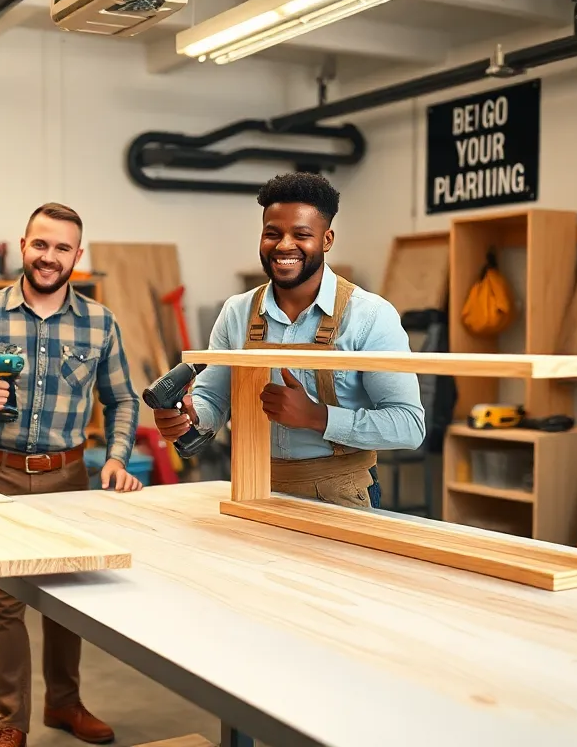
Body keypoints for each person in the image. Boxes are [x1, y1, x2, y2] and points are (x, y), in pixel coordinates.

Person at [0, 202, 141, 747]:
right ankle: (11, 722)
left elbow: (122, 400)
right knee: (4, 606)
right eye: (40, 245)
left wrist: (115, 457)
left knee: (70, 601)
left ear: (77, 256)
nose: (49, 257)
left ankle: (65, 705)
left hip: (69, 479)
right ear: (23, 247)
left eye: (62, 248)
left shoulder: (100, 322)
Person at [153, 172, 424, 508]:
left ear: (327, 239)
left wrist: (316, 416)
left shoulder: (370, 315)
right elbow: (213, 399)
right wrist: (189, 416)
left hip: (340, 495)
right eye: (272, 233)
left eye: (301, 234)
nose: (283, 246)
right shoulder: (237, 312)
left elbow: (409, 426)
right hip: (253, 488)